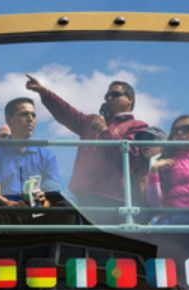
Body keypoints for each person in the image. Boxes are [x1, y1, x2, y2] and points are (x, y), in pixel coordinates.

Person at [26, 75, 148, 209]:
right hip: (80, 195)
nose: (109, 99)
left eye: (115, 95)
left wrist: (104, 131)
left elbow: (130, 157)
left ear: (130, 99)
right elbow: (67, 113)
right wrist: (45, 93)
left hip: (111, 199)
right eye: (107, 96)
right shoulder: (91, 121)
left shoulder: (137, 126)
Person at [0, 97, 60, 207]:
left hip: (40, 212)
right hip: (5, 212)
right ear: (8, 119)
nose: (30, 119)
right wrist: (10, 205)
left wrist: (43, 202)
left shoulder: (47, 155)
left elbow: (52, 196)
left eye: (33, 115)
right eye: (24, 114)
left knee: (67, 207)